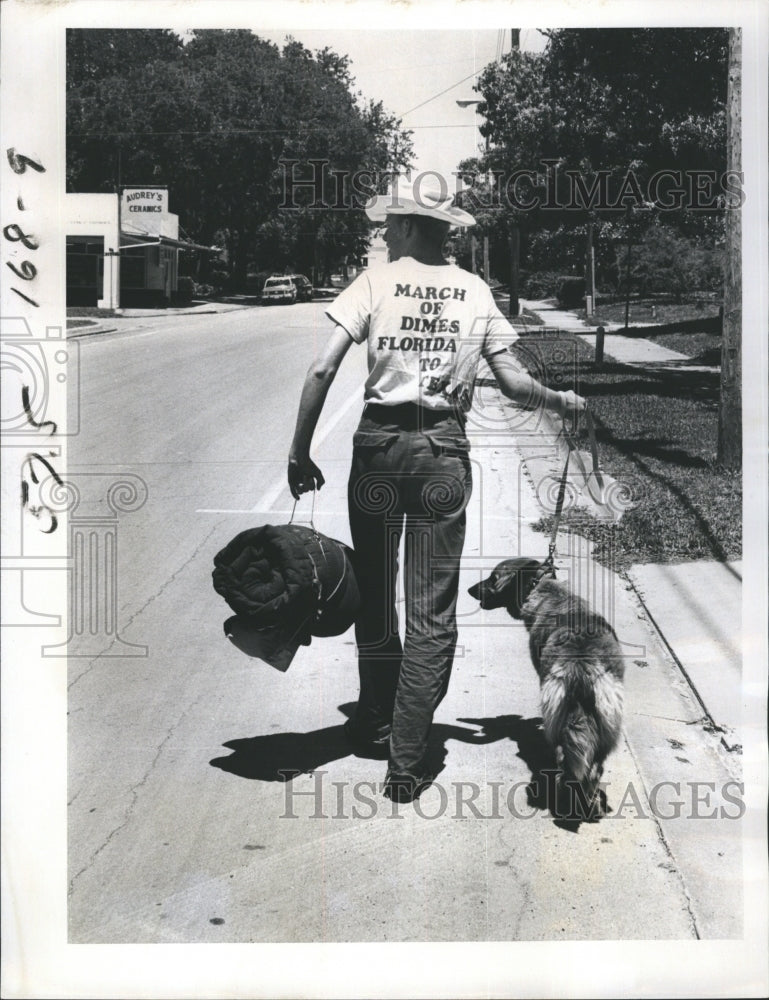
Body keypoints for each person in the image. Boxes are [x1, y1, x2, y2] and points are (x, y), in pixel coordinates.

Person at [288, 175, 585, 802]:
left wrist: (299, 449)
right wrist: (560, 399)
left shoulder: (375, 283)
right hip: (440, 455)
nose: (386, 230)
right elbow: (510, 381)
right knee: (432, 611)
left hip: (377, 451)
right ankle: (406, 757)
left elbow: (322, 367)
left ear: (412, 227)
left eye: (393, 222)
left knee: (375, 593)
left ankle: (375, 716)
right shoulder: (474, 292)